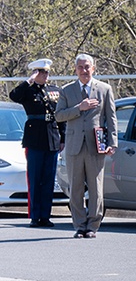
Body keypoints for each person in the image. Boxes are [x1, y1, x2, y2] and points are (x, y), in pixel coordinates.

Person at [54, 54, 117, 239]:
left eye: (87, 67)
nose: (84, 70)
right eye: (80, 67)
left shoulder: (104, 89)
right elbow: (59, 116)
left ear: (93, 68)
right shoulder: (67, 90)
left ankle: (93, 225)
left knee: (96, 188)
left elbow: (111, 118)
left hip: (95, 145)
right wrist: (79, 108)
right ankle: (79, 225)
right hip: (74, 146)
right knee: (76, 188)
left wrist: (113, 142)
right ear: (75, 69)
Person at [10, 58, 62, 228]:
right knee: (35, 178)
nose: (45, 75)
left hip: (52, 138)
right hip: (34, 139)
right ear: (35, 73)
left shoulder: (55, 91)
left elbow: (61, 116)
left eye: (47, 72)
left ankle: (45, 215)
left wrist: (63, 137)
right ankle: (35, 215)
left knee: (48, 179)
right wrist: (28, 81)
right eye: (41, 72)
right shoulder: (28, 90)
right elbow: (14, 96)